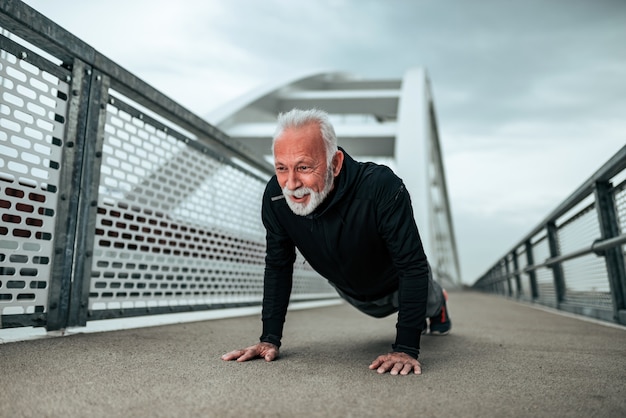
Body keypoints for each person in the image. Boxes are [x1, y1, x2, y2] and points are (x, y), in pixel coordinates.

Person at [222, 108, 451, 376]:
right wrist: (269, 338)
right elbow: (278, 265)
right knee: (370, 303)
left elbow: (411, 266)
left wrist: (406, 348)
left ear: (335, 163)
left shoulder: (381, 186)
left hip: (397, 283)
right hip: (349, 289)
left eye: (304, 167)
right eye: (282, 168)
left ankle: (440, 306)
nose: (292, 184)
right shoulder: (276, 197)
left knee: (427, 300)